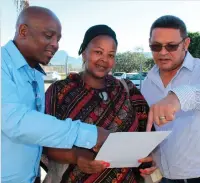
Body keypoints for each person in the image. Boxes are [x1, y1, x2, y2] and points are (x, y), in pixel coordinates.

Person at [1, 6, 109, 183]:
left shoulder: (34, 72)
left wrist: (77, 154)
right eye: (49, 36)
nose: (56, 45)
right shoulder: (3, 65)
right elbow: (17, 121)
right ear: (23, 31)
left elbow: (38, 131)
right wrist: (90, 134)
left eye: (58, 39)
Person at [42, 24, 153, 183]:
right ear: (84, 53)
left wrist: (151, 157)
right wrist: (76, 156)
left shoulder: (126, 89)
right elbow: (45, 142)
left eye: (111, 55)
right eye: (98, 52)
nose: (104, 60)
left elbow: (148, 135)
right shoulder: (59, 92)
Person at [141, 15, 200, 183]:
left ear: (186, 44)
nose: (163, 52)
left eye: (171, 46)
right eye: (156, 46)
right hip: (163, 177)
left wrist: (178, 97)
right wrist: (154, 157)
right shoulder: (148, 82)